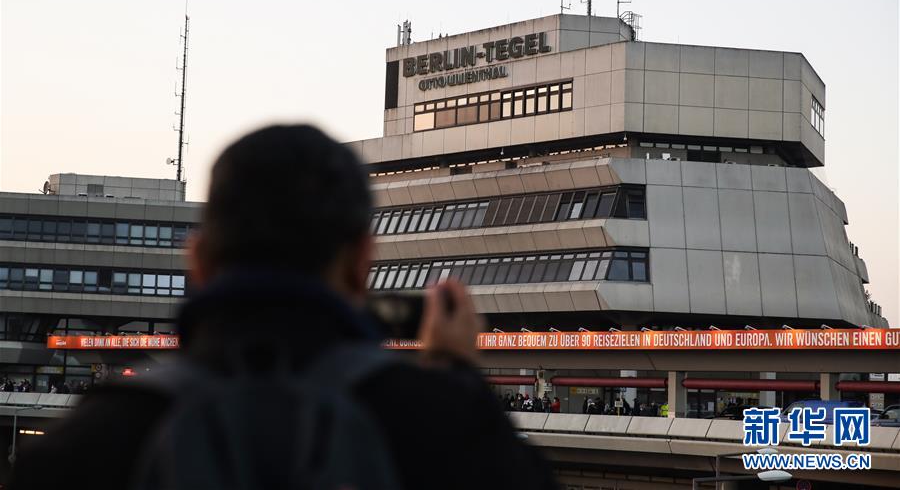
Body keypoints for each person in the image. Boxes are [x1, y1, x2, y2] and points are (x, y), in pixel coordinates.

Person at [9, 124, 557, 490]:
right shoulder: (439, 426)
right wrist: (457, 378)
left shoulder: (94, 440)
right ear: (360, 262)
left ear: (199, 261)